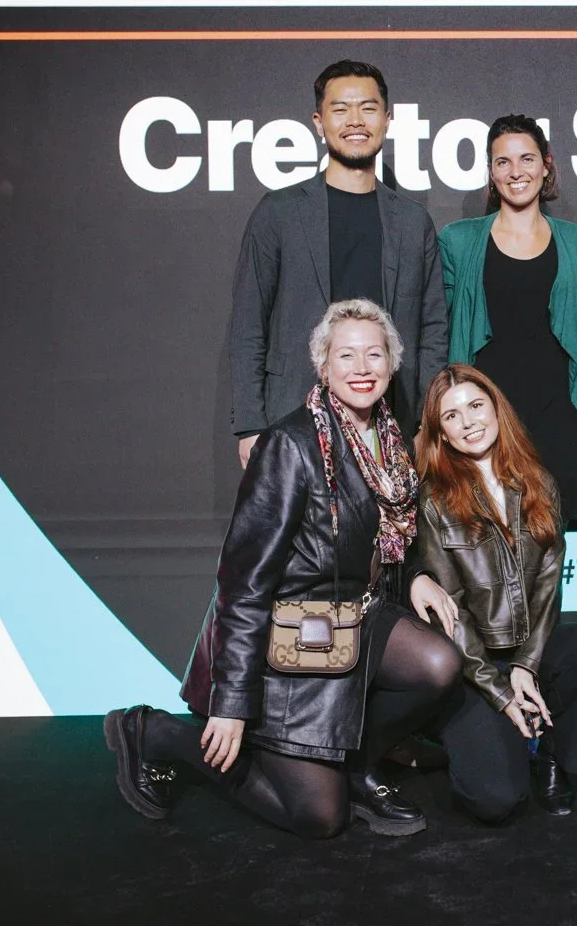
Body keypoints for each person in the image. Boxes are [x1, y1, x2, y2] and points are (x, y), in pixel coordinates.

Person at [106, 300, 462, 838]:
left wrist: (415, 575)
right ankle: (157, 734)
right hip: (296, 644)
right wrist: (230, 704)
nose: (362, 367)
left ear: (393, 364)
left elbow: (384, 536)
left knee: (438, 663)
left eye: (374, 354)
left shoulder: (391, 442)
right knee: (321, 819)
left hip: (360, 618)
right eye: (346, 355)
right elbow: (243, 583)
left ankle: (359, 765)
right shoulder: (290, 445)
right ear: (323, 365)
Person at [413, 365, 577, 820]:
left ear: (496, 409)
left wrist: (526, 664)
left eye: (476, 406)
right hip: (473, 666)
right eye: (451, 416)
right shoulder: (433, 501)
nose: (468, 422)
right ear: (441, 434)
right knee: (496, 801)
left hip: (529, 649)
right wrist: (501, 689)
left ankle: (553, 758)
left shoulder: (538, 482)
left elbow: (548, 584)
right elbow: (452, 614)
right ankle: (487, 741)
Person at [229, 60, 448, 461]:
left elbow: (433, 330)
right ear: (318, 121)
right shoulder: (278, 213)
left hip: (392, 426)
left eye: (367, 108)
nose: (355, 121)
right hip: (293, 418)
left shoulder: (413, 222)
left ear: (387, 118)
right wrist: (250, 425)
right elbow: (248, 323)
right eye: (340, 109)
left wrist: (426, 424)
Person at [437, 115, 577, 528]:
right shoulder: (458, 240)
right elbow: (440, 329)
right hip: (488, 411)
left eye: (527, 159)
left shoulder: (573, 239)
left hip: (558, 407)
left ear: (546, 165)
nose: (516, 172)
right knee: (492, 530)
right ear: (491, 172)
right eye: (503, 162)